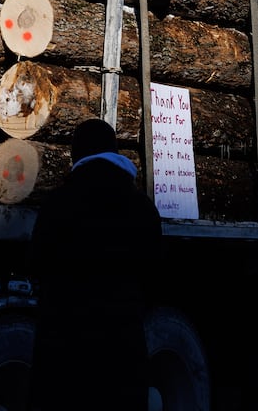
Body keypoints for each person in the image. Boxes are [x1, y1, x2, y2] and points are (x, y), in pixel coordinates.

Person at [28, 119, 163, 411]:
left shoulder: (58, 203)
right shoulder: (143, 207)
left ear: (77, 156)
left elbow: (38, 262)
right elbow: (154, 274)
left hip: (65, 343)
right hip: (122, 343)